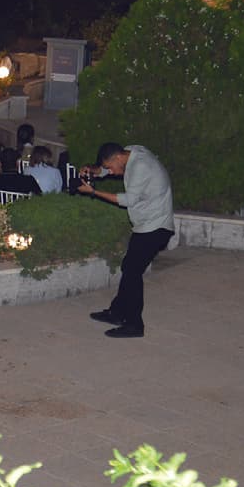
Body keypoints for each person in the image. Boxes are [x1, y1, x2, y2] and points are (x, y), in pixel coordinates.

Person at [79, 141, 175, 339]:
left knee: (132, 271)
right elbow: (110, 168)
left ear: (117, 158)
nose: (112, 173)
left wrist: (94, 192)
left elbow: (127, 200)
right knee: (129, 267)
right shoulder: (131, 151)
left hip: (156, 226)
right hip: (146, 225)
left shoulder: (141, 167)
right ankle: (117, 312)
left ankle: (134, 324)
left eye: (110, 167)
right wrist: (96, 171)